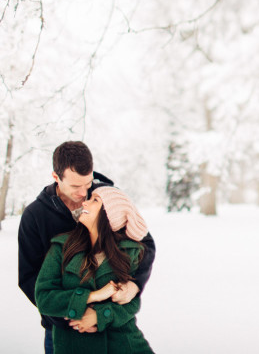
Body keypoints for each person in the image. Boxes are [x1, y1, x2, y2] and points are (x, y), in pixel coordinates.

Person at [18, 141, 156, 353]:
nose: (84, 193)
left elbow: (143, 243)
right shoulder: (35, 216)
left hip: (115, 330)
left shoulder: (106, 198)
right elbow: (30, 279)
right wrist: (74, 315)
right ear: (56, 177)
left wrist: (134, 286)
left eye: (88, 183)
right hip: (64, 328)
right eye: (75, 186)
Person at [35, 186, 155, 353]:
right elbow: (44, 298)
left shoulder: (131, 252)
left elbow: (132, 303)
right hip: (73, 346)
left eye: (95, 200)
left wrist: (100, 316)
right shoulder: (62, 247)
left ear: (109, 214)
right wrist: (93, 296)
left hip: (123, 345)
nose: (85, 203)